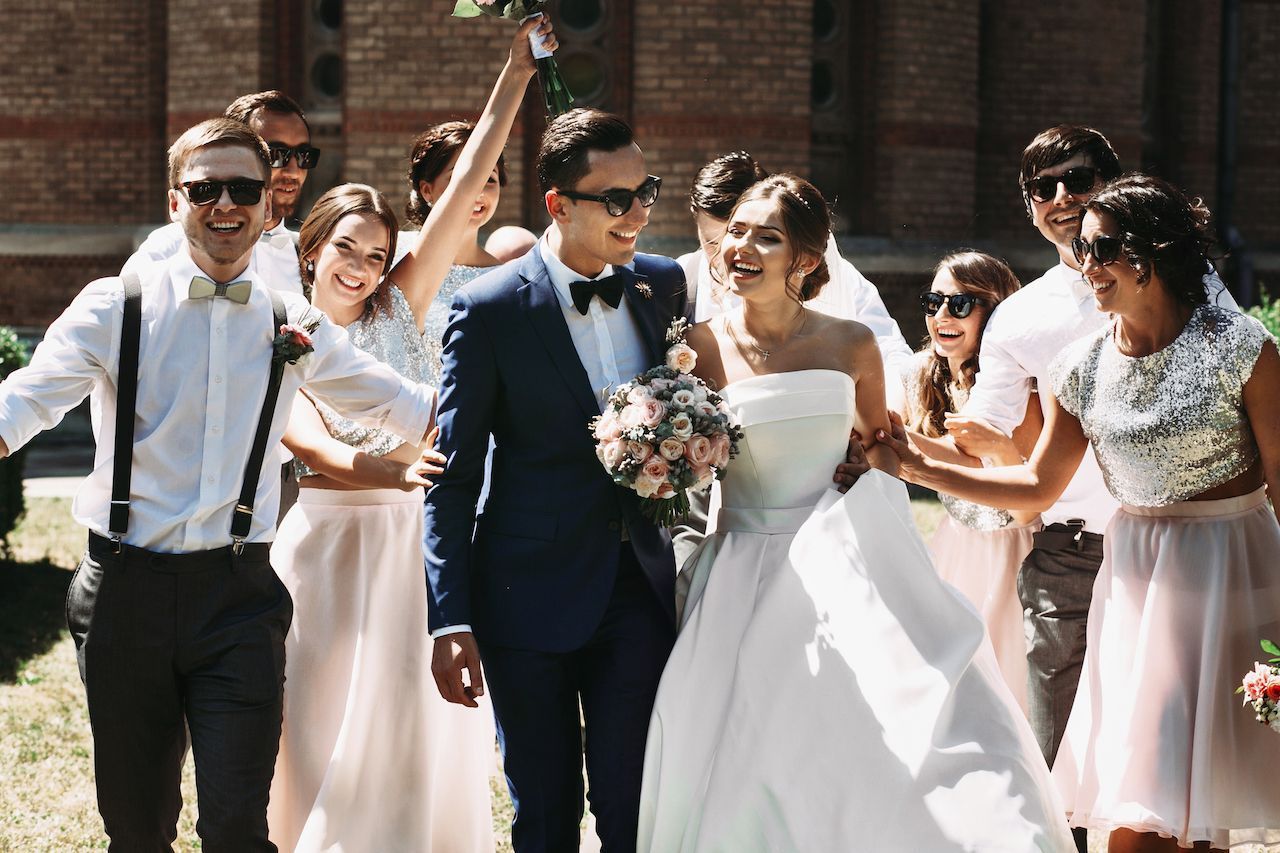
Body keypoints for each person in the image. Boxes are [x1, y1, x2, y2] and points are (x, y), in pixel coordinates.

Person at [0, 118, 435, 851]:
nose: (226, 203)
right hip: (124, 593)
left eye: (245, 188)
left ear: (270, 205)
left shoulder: (289, 320)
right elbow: (24, 401)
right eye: (207, 188)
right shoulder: (115, 305)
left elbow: (404, 401)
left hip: (238, 597)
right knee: (137, 828)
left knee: (237, 824)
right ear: (177, 202)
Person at [637, 174, 1073, 852]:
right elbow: (679, 465)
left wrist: (867, 469)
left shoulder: (851, 345)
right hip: (738, 565)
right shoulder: (695, 347)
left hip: (838, 556)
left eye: (768, 236)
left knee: (865, 733)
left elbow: (881, 452)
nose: (742, 246)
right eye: (738, 231)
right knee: (746, 741)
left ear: (806, 259)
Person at [881, 174, 1280, 853]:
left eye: (1104, 250)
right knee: (1145, 802)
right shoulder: (1080, 366)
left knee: (1195, 797)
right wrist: (912, 463)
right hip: (1135, 586)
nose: (1087, 265)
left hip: (1231, 574)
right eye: (1082, 250)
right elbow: (1035, 486)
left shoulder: (1239, 347)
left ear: (1155, 251)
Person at [267, 18, 556, 852]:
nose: (361, 266)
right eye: (346, 251)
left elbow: (469, 179)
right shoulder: (279, 330)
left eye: (378, 252)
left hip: (417, 545)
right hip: (328, 548)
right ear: (312, 251)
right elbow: (313, 451)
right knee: (323, 725)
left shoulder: (400, 305)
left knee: (416, 719)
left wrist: (514, 77)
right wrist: (404, 473)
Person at [423, 107, 687, 853]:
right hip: (523, 595)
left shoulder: (661, 287)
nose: (637, 213)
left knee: (632, 801)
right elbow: (452, 473)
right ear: (558, 205)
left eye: (646, 192)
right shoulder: (488, 309)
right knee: (544, 810)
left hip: (636, 588)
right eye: (617, 199)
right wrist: (450, 616)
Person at [903, 251, 1040, 712]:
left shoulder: (1022, 385)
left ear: (996, 310)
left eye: (960, 304)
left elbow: (1029, 508)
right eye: (932, 301)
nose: (941, 315)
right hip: (954, 544)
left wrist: (999, 448)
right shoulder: (927, 374)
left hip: (1011, 555)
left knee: (1000, 687)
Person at [678, 150, 914, 410]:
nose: (739, 250)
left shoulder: (840, 281)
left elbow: (889, 352)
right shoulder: (678, 281)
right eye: (719, 239)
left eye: (765, 237)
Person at [123, 90, 318, 296]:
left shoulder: (310, 256)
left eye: (304, 155)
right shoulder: (165, 251)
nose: (294, 170)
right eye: (276, 154)